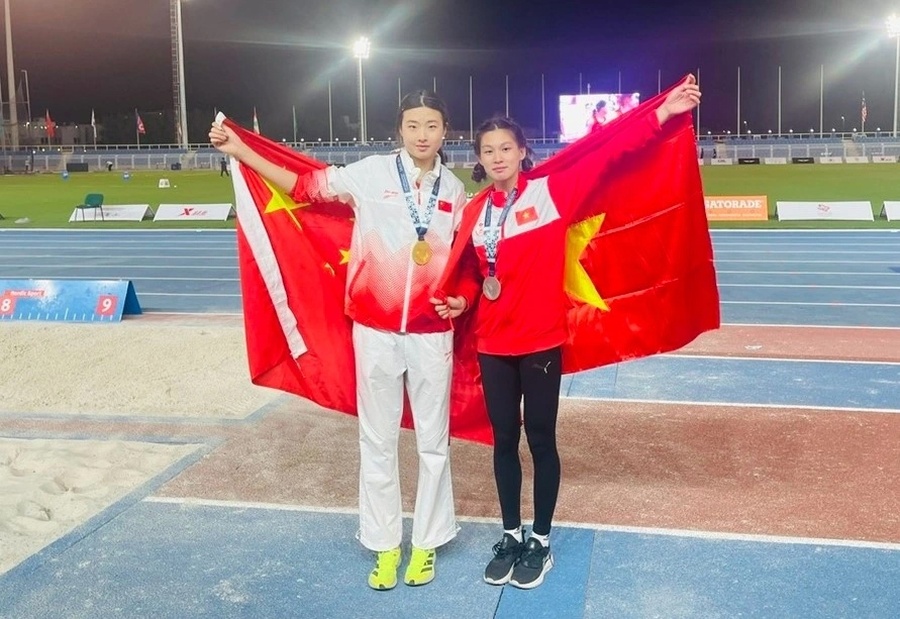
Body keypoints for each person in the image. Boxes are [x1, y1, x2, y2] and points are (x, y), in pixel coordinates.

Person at [433, 75, 701, 590]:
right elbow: (469, 270)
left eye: (506, 148)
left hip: (539, 341)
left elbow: (608, 154)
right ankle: (510, 533)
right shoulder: (474, 211)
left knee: (540, 437)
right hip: (492, 341)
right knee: (503, 440)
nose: (497, 157)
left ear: (522, 151)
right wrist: (464, 298)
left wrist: (663, 113)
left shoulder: (551, 193)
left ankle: (541, 539)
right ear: (480, 158)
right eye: (488, 150)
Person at [210, 90, 476, 591]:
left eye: (433, 125)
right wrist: (242, 152)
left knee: (433, 444)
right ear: (400, 129)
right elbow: (306, 187)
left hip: (430, 334)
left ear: (446, 131)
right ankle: (383, 545)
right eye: (414, 125)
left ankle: (426, 543)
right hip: (374, 331)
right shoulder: (372, 173)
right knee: (376, 440)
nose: (423, 134)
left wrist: (461, 299)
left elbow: (461, 263)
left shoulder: (456, 190)